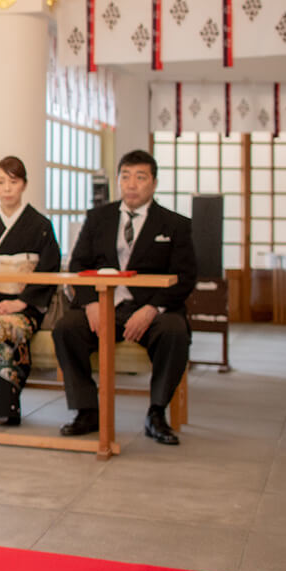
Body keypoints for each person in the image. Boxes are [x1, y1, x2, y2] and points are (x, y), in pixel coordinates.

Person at [53, 149, 196, 445]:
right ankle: (87, 410)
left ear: (154, 183)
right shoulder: (98, 218)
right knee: (66, 328)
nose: (131, 184)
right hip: (104, 305)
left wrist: (152, 309)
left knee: (175, 331)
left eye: (140, 177)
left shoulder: (175, 224)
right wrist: (90, 303)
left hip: (150, 309)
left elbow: (185, 277)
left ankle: (156, 413)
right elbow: (79, 265)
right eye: (126, 177)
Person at [0, 156, 61, 426]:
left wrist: (22, 303)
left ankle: (2, 406)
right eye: (0, 182)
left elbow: (49, 270)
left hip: (24, 305)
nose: (6, 188)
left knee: (5, 330)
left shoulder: (41, 226)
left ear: (24, 185)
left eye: (13, 182)